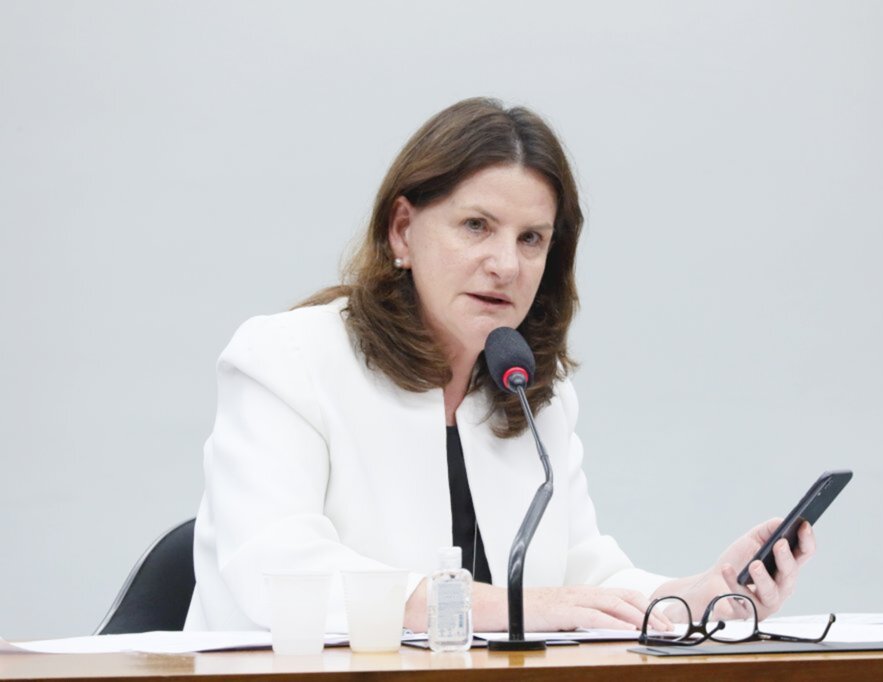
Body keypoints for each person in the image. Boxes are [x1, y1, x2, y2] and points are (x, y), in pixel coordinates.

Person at [184, 97, 815, 634]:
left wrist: (703, 594)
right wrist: (511, 607)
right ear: (402, 230)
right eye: (477, 226)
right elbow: (280, 572)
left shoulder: (530, 388)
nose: (506, 265)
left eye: (530, 238)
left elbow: (581, 578)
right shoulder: (288, 359)